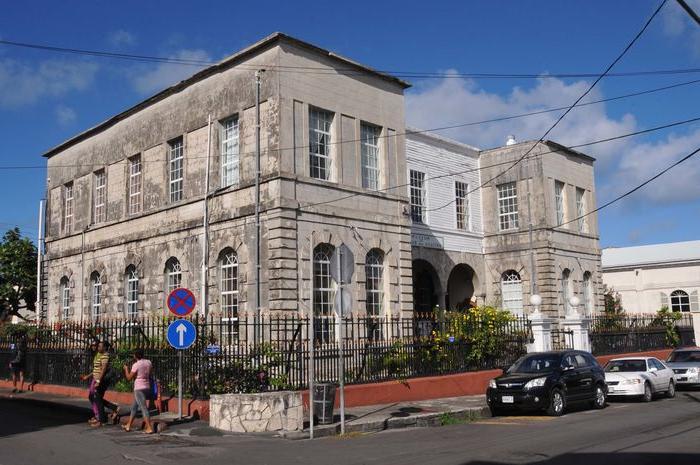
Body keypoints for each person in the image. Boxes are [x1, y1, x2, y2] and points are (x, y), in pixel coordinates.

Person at [80, 340, 119, 426]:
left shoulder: (105, 356)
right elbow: (96, 369)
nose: (98, 347)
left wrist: (98, 381)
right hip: (97, 378)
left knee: (97, 398)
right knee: (96, 398)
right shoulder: (99, 355)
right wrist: (88, 376)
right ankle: (109, 411)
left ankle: (101, 419)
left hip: (101, 379)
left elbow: (103, 369)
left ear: (105, 347)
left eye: (99, 346)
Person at [121, 348, 155, 434]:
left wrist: (126, 369)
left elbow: (129, 377)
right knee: (134, 407)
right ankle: (128, 425)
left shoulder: (136, 365)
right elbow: (150, 373)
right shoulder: (148, 362)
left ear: (135, 355)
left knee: (143, 407)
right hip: (147, 386)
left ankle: (149, 427)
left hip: (139, 388)